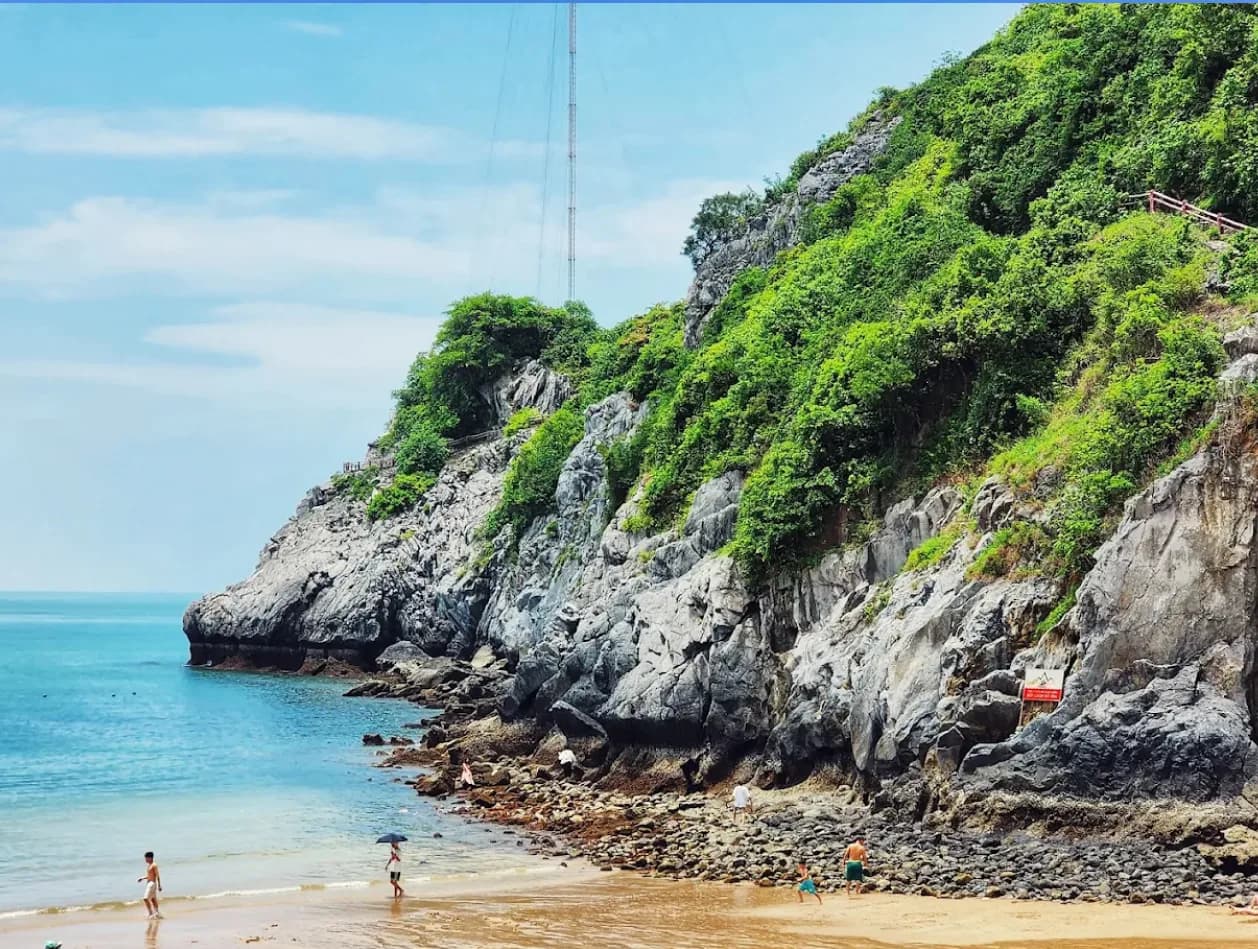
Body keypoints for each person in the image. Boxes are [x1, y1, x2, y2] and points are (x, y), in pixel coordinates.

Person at [137, 851, 162, 918]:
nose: (145, 860)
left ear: (150, 858)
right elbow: (150, 875)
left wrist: (159, 885)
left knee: (145, 898)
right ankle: (157, 913)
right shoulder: (149, 865)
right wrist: (142, 878)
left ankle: (150, 913)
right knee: (153, 899)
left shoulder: (154, 865)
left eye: (146, 858)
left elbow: (157, 875)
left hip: (152, 884)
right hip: (150, 883)